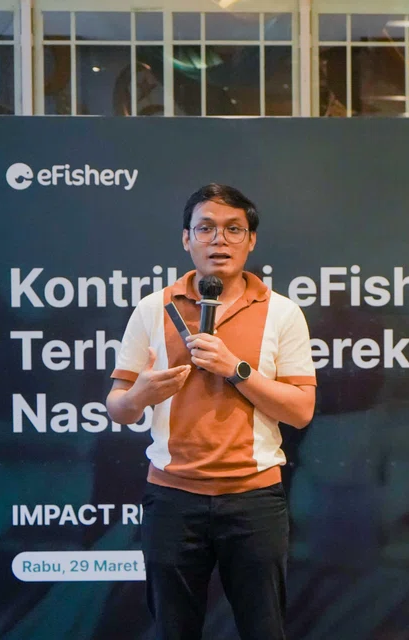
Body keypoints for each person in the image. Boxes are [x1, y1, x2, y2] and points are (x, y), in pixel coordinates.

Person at [106, 184, 317, 640]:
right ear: (187, 239)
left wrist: (235, 369)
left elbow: (301, 411)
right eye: (205, 228)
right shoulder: (152, 309)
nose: (219, 240)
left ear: (251, 240)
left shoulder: (282, 313)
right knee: (173, 630)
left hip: (254, 499)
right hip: (171, 499)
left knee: (264, 629)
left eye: (233, 229)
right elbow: (118, 408)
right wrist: (139, 395)